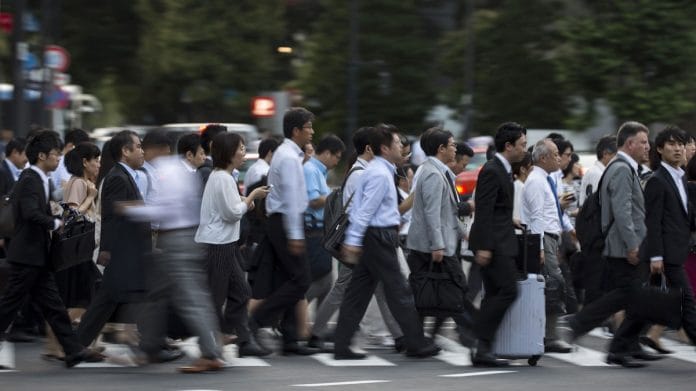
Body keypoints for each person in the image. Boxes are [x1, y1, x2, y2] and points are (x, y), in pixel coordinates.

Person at [558, 121, 661, 368]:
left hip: (624, 243)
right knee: (628, 293)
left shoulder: (623, 167)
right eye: (644, 142)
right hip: (623, 246)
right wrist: (633, 244)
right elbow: (623, 211)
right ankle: (584, 324)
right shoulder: (622, 169)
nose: (648, 147)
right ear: (629, 143)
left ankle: (625, 345)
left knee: (634, 295)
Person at [0, 131, 103, 368]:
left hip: (36, 255)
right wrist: (56, 223)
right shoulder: (29, 178)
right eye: (55, 154)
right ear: (42, 156)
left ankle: (73, 350)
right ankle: (73, 350)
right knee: (9, 306)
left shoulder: (39, 178)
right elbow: (29, 212)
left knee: (54, 306)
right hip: (27, 256)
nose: (58, 159)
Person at [336, 125, 439, 360]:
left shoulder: (379, 170)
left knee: (358, 294)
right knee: (400, 291)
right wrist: (353, 241)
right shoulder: (380, 174)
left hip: (375, 236)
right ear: (384, 148)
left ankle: (341, 345)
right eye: (396, 144)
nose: (401, 147)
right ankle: (416, 343)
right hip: (378, 237)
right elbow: (364, 211)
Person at [127, 133, 224, 373]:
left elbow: (165, 209)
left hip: (176, 239)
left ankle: (210, 353)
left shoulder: (168, 172)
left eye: (145, 148)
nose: (144, 154)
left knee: (190, 299)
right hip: (184, 237)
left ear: (157, 148)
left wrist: (133, 211)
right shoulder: (181, 170)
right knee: (157, 293)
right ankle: (149, 347)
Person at [308, 126, 405, 353]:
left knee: (380, 289)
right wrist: (356, 243)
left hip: (363, 242)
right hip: (359, 243)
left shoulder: (362, 171)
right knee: (342, 289)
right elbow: (358, 213)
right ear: (370, 148)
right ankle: (316, 333)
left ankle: (401, 336)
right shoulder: (361, 173)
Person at [195, 132, 270, 357]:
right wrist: (252, 198)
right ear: (229, 153)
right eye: (240, 148)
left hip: (225, 244)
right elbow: (231, 213)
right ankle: (208, 346)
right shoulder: (221, 178)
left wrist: (245, 201)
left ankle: (225, 333)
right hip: (217, 244)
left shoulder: (224, 176)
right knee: (215, 298)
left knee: (242, 292)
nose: (244, 152)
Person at [250, 107, 318, 355]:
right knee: (301, 280)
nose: (312, 132)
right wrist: (296, 235)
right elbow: (290, 199)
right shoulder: (288, 157)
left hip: (281, 221)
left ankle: (290, 339)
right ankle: (254, 322)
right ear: (296, 130)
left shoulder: (288, 154)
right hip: (285, 222)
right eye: (309, 127)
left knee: (289, 279)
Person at [76, 131, 152, 352]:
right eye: (138, 147)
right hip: (123, 253)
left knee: (111, 300)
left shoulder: (124, 175)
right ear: (125, 151)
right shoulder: (118, 177)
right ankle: (153, 343)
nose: (142, 151)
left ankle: (77, 343)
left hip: (126, 252)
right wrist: (107, 250)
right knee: (115, 299)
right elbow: (112, 217)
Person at [406, 127, 477, 348]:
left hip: (436, 244)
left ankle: (415, 341)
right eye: (453, 145)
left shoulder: (438, 171)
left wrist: (464, 234)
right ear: (441, 148)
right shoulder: (433, 174)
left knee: (428, 294)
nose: (455, 148)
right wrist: (438, 245)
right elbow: (432, 213)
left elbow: (447, 211)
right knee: (456, 290)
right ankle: (479, 338)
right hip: (434, 247)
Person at [469, 122, 527, 367]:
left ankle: (484, 348)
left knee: (495, 293)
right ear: (508, 146)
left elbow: (497, 207)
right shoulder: (492, 170)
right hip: (493, 242)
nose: (525, 149)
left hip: (501, 239)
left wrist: (511, 219)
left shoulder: (503, 169)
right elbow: (483, 210)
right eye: (522, 145)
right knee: (508, 290)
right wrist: (483, 246)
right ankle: (480, 338)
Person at [640, 126, 696, 354]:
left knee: (657, 304)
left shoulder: (681, 178)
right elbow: (652, 222)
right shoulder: (657, 180)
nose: (678, 148)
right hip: (667, 254)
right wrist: (656, 256)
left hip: (678, 250)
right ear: (660, 149)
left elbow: (686, 216)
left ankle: (621, 343)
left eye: (681, 144)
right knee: (687, 301)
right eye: (672, 144)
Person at [44, 142, 102, 360]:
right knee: (88, 298)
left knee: (79, 298)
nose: (98, 163)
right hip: (76, 250)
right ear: (84, 162)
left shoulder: (83, 182)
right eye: (95, 159)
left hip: (80, 249)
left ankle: (60, 345)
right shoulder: (78, 183)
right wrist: (90, 197)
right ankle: (62, 343)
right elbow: (72, 216)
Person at [521, 139, 573, 353]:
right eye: (555, 154)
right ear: (543, 158)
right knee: (553, 284)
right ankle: (549, 337)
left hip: (552, 239)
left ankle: (546, 335)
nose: (559, 158)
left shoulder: (546, 179)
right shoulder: (536, 181)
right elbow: (536, 218)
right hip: (543, 241)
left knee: (552, 285)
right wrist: (541, 247)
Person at [303, 135, 345, 307]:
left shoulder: (318, 171)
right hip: (313, 231)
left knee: (326, 279)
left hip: (321, 231)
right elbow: (313, 201)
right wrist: (335, 194)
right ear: (327, 153)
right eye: (337, 157)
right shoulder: (311, 170)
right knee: (321, 277)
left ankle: (316, 326)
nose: (337, 161)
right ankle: (293, 316)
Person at [579, 136, 618, 206]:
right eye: (616, 155)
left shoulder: (597, 172)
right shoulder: (597, 174)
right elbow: (598, 204)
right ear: (605, 154)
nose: (618, 159)